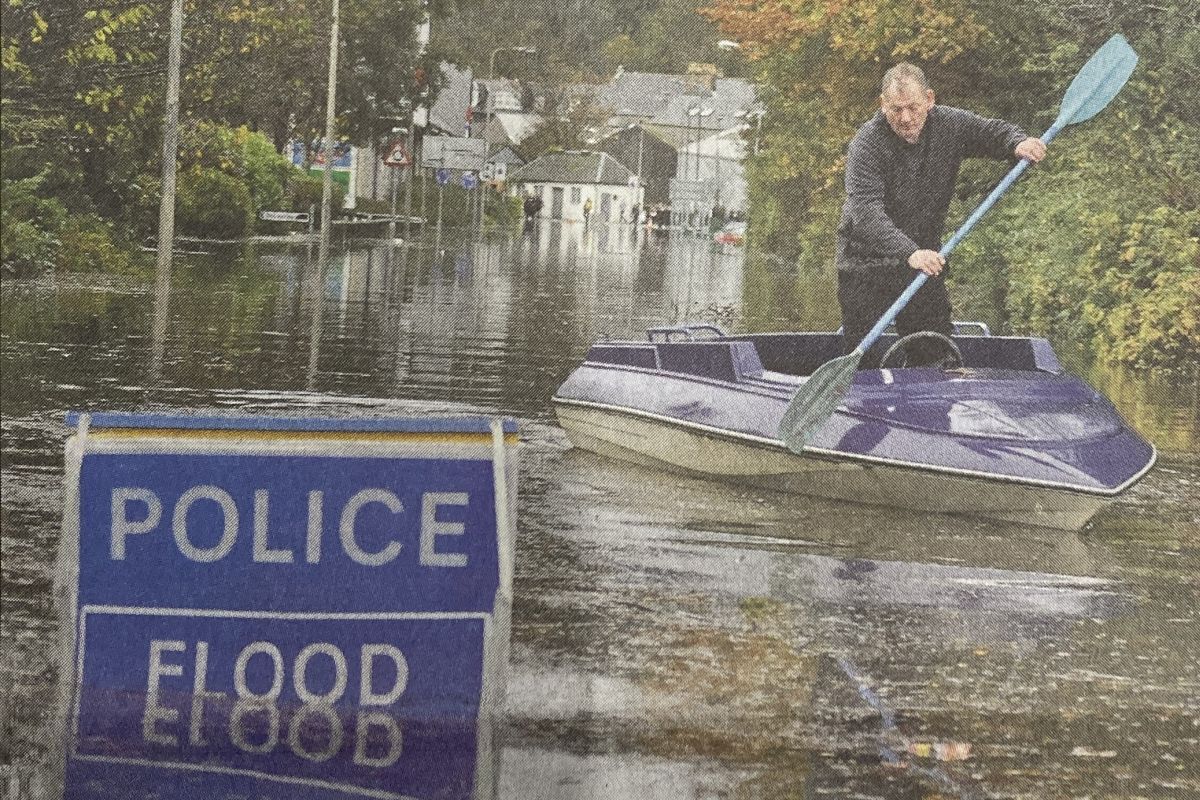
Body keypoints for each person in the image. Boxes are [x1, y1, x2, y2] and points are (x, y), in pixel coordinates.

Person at [836, 62, 1046, 366]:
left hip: (923, 263)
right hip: (866, 265)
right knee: (866, 361)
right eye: (896, 109)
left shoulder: (950, 125)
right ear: (883, 105)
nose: (905, 118)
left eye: (913, 107)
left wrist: (1018, 143)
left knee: (934, 354)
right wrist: (910, 252)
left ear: (930, 100)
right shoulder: (866, 145)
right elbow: (865, 214)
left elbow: (992, 132)